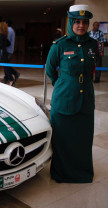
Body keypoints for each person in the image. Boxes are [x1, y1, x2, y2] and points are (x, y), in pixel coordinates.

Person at [46, 5, 97, 183]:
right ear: (71, 22)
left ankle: (82, 173)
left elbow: (91, 69)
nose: (81, 25)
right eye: (77, 22)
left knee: (83, 139)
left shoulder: (93, 44)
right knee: (63, 139)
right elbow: (50, 69)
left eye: (84, 22)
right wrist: (62, 84)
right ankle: (62, 174)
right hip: (65, 100)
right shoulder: (60, 45)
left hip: (86, 100)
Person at [5, 20, 20, 85]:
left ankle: (13, 75)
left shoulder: (8, 30)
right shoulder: (11, 30)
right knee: (6, 64)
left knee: (5, 65)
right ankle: (8, 77)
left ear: (7, 23)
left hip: (7, 50)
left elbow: (6, 41)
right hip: (10, 50)